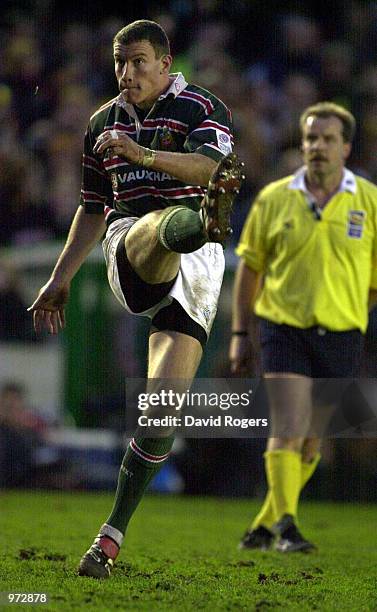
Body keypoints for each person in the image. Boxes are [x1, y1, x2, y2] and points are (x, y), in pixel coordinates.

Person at [29, 19, 243, 578]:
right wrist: (59, 277)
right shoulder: (101, 124)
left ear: (166, 63)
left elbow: (212, 166)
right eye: (121, 62)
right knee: (158, 227)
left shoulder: (202, 106)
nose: (127, 73)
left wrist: (143, 156)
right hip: (132, 247)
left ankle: (108, 540)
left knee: (160, 415)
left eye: (139, 61)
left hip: (199, 266)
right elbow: (92, 207)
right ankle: (198, 221)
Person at [230, 101, 377, 552]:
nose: (317, 147)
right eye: (311, 138)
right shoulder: (274, 198)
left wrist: (350, 309)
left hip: (342, 333)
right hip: (283, 327)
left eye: (328, 139)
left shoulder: (369, 202)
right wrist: (240, 334)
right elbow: (249, 270)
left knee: (312, 444)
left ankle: (262, 523)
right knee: (289, 423)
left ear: (346, 147)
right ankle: (288, 527)